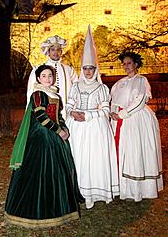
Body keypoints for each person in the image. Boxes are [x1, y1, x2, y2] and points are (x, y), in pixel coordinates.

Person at [5, 64, 84, 229]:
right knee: (38, 171)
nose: (48, 78)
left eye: (50, 75)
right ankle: (33, 210)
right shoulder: (38, 94)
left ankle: (58, 209)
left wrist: (64, 129)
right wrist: (58, 131)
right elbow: (41, 116)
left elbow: (58, 117)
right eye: (44, 76)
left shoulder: (55, 94)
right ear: (39, 78)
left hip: (54, 136)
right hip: (41, 136)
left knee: (58, 171)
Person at [66, 25, 119, 209]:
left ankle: (92, 192)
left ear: (95, 69)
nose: (88, 71)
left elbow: (105, 110)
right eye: (85, 68)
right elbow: (69, 103)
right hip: (76, 127)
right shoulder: (75, 86)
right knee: (77, 157)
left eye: (91, 68)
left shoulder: (102, 88)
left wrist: (87, 115)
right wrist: (71, 112)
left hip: (94, 127)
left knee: (92, 158)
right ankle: (76, 191)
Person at [110, 51, 163, 202]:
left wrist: (122, 114)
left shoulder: (142, 80)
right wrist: (113, 113)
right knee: (121, 152)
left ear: (136, 64)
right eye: (124, 64)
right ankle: (122, 187)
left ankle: (137, 190)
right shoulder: (119, 83)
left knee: (135, 152)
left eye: (129, 63)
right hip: (119, 121)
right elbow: (113, 100)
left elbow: (139, 101)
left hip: (135, 120)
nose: (126, 66)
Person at [41, 35, 78, 118]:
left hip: (66, 111)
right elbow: (31, 92)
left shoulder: (68, 70)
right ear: (48, 52)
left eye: (58, 50)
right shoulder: (39, 69)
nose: (55, 52)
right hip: (46, 112)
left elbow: (77, 88)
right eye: (53, 50)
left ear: (61, 52)